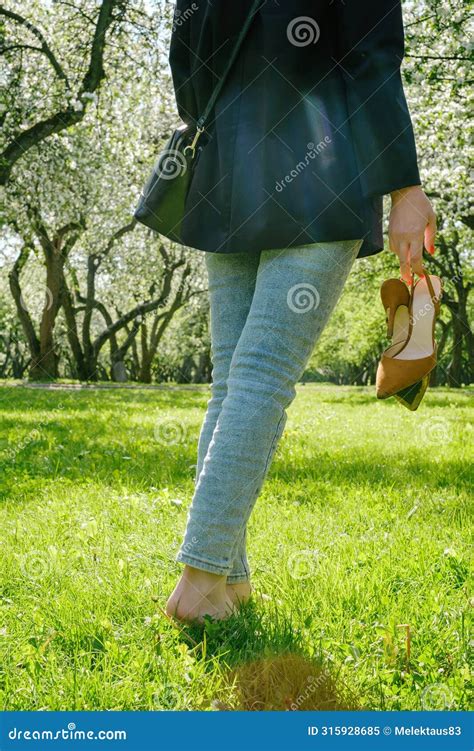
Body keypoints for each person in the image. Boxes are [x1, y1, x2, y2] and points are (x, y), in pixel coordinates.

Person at [165, 0, 437, 622]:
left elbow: (188, 66)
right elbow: (371, 59)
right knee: (260, 377)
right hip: (323, 169)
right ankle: (200, 584)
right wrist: (406, 187)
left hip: (225, 173)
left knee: (233, 382)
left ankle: (228, 584)